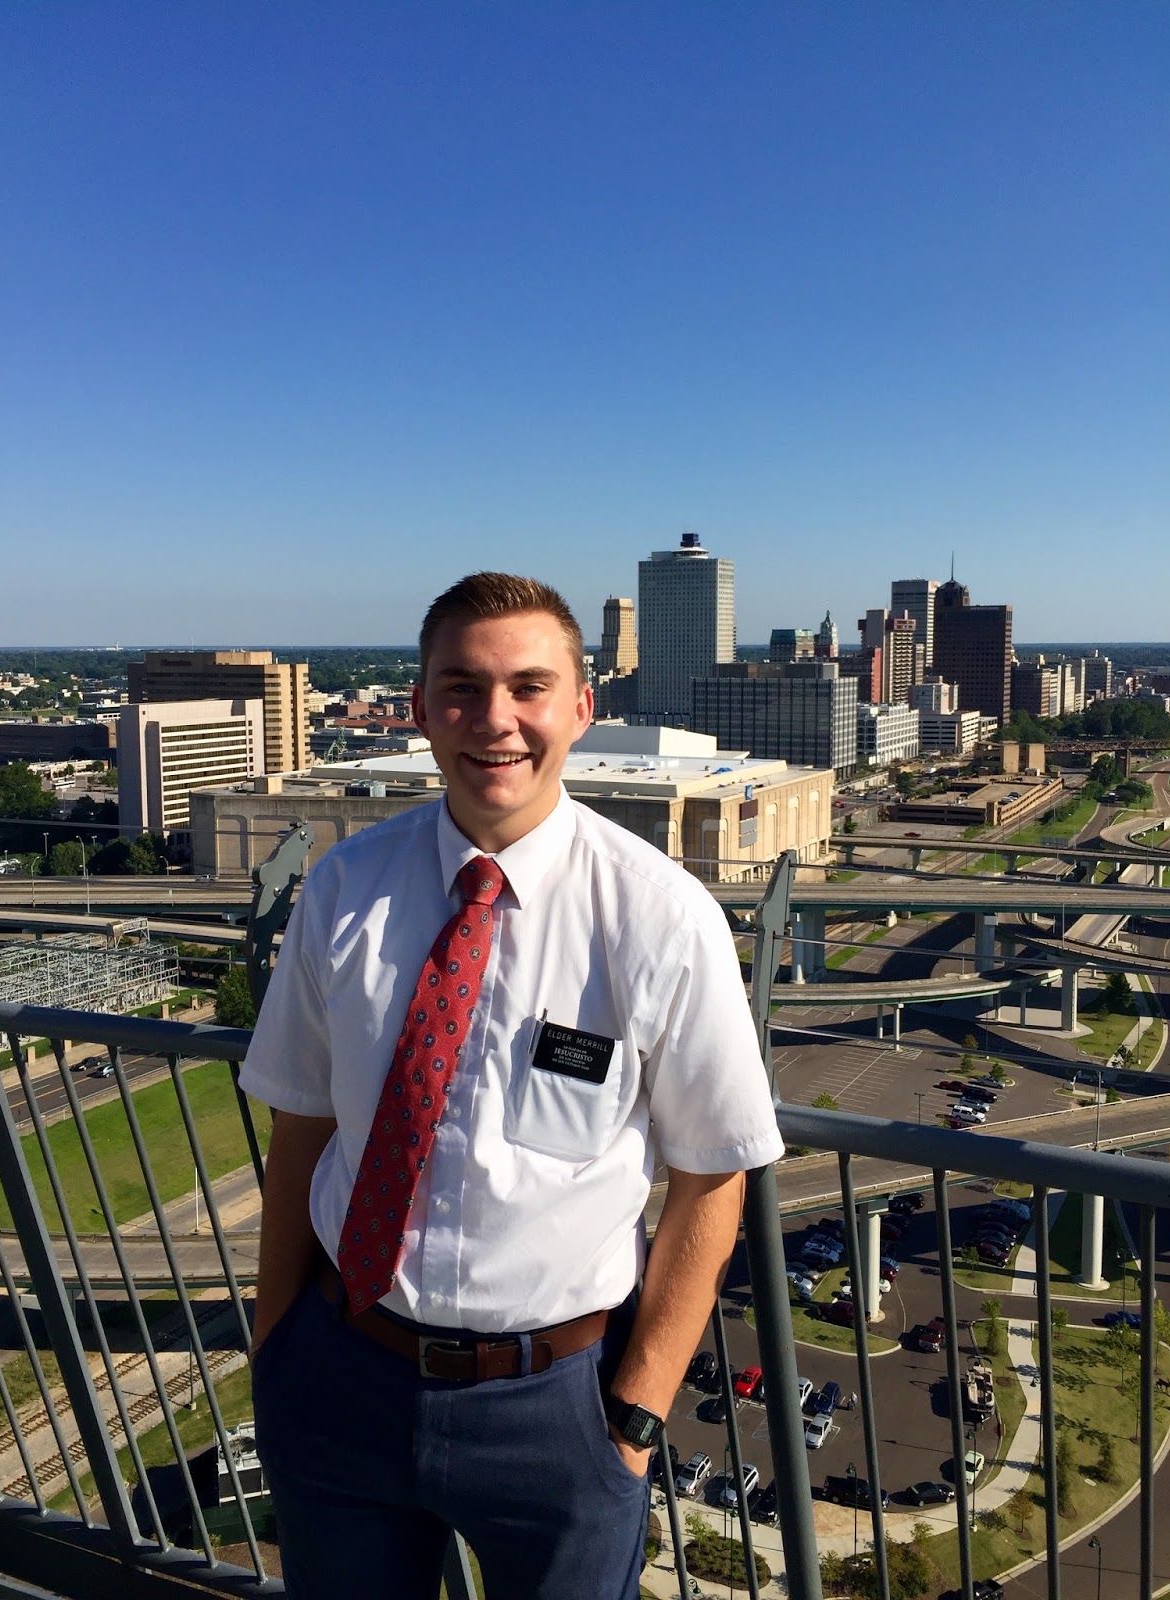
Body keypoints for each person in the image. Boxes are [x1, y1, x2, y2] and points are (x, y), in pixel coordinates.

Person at [239, 572, 783, 1600]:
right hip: (343, 1375)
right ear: (419, 708)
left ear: (583, 707)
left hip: (558, 1411)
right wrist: (279, 1342)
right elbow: (300, 1125)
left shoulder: (660, 918)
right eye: (462, 688)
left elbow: (713, 1181)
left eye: (529, 687)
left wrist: (633, 1416)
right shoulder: (345, 889)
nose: (496, 721)